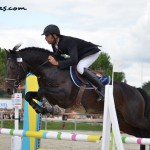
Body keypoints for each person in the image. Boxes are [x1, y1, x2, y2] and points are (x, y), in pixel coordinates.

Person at [41, 24, 104, 101]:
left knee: (80, 68)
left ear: (54, 35)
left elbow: (74, 60)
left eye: (47, 35)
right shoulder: (55, 45)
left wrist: (57, 63)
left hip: (91, 52)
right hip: (81, 55)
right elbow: (59, 58)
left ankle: (101, 87)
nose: (45, 38)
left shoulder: (67, 41)